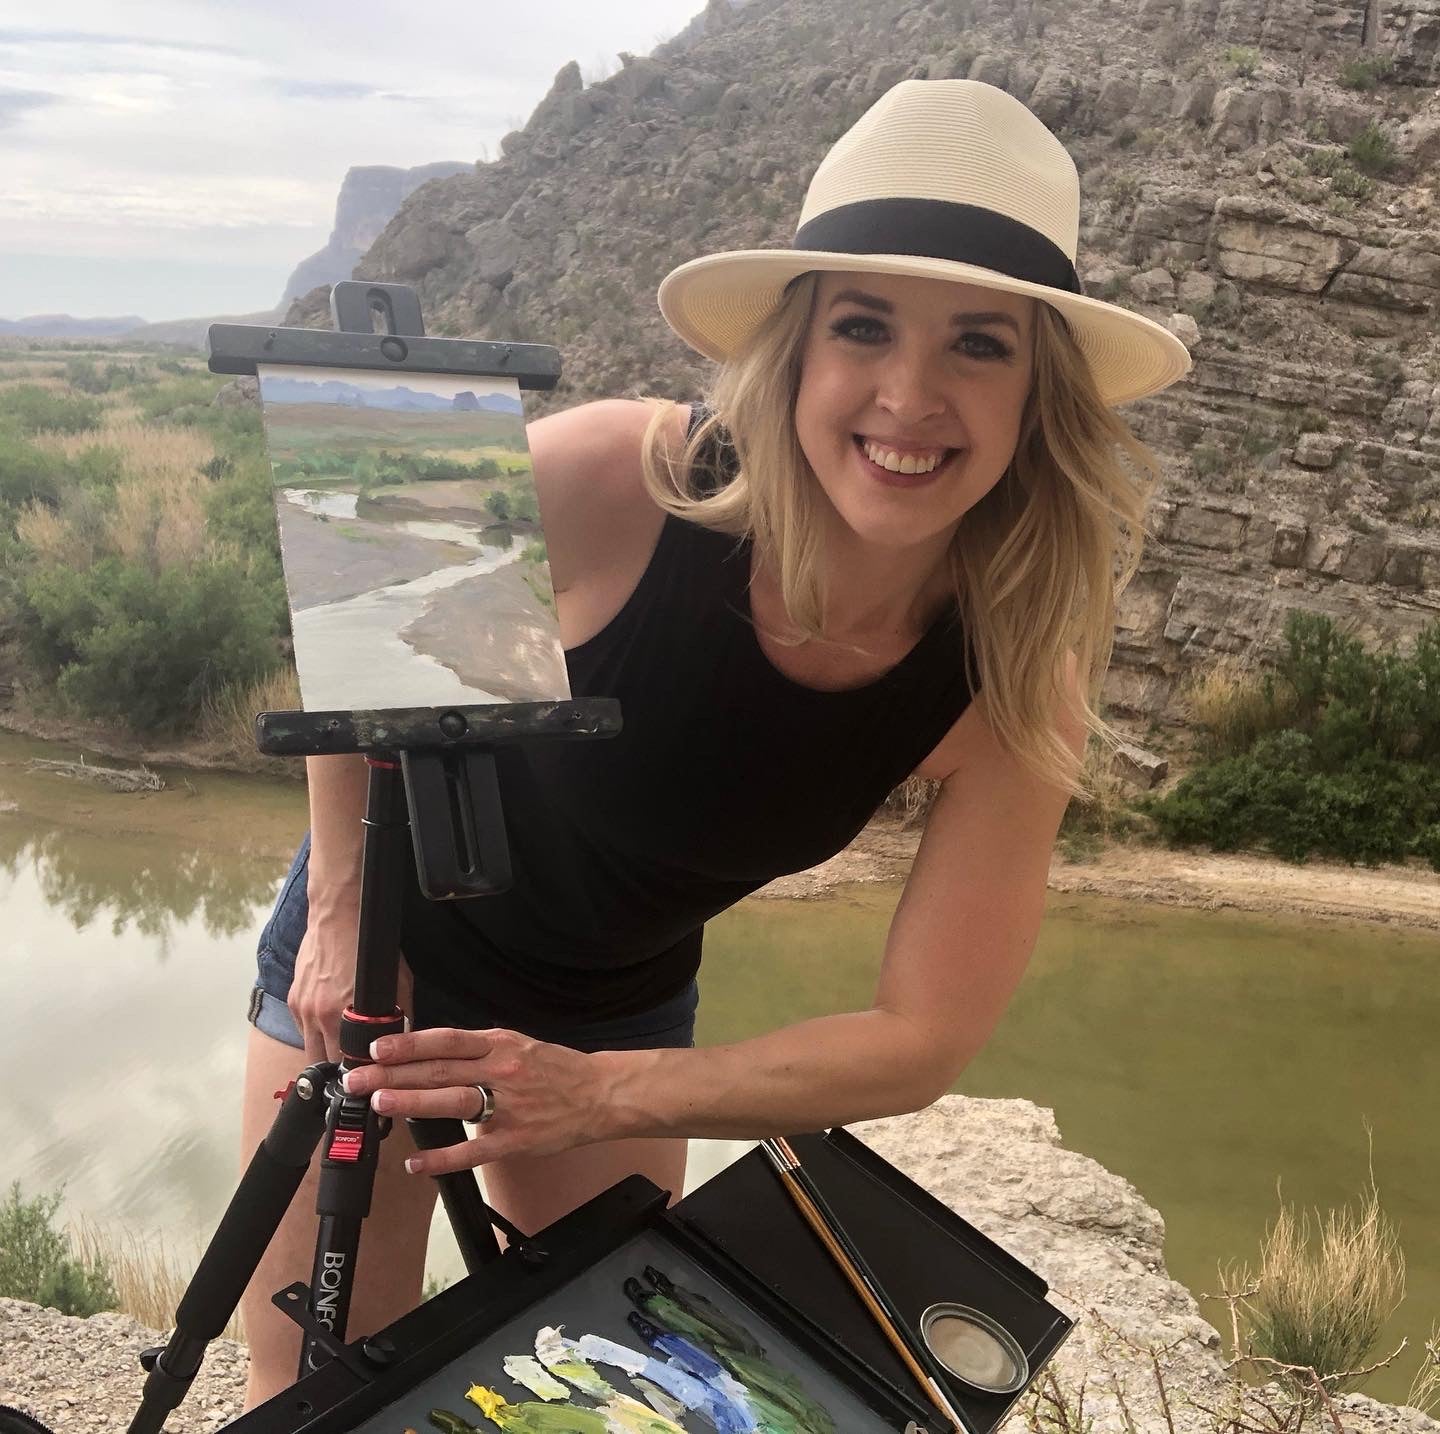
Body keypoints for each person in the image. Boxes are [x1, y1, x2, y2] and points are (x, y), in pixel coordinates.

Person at [238, 78, 1191, 1406]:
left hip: (615, 999)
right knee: (314, 1392)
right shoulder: (629, 488)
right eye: (865, 327)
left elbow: (921, 1034)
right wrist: (340, 905)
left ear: (1041, 396)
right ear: (796, 350)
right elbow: (364, 604)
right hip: (391, 947)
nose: (910, 396)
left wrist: (600, 1089)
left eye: (980, 344)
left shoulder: (1011, 664)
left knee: (608, 1384)